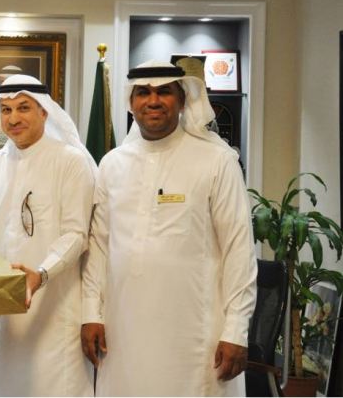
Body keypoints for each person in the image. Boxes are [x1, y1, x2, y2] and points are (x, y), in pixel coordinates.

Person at [81, 60, 257, 396]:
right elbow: (99, 247)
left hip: (195, 332)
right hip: (123, 330)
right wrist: (91, 312)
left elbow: (238, 249)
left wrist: (236, 329)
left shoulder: (217, 161)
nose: (153, 101)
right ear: (130, 101)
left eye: (164, 92)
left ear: (182, 99)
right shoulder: (112, 164)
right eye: (143, 93)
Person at [0, 74, 97, 396]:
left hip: (54, 307)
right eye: (6, 109)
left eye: (23, 108)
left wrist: (41, 274)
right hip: (3, 308)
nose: (13, 119)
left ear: (44, 111)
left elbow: (76, 234)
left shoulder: (70, 161)